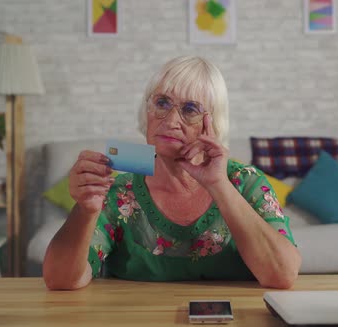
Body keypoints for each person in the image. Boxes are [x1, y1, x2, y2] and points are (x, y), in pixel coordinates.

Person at [43, 55, 301, 290]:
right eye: (162, 103)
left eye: (190, 109)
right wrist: (85, 210)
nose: (170, 121)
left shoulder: (245, 181)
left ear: (212, 122)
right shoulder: (120, 192)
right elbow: (60, 280)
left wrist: (219, 185)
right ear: (147, 111)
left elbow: (282, 276)